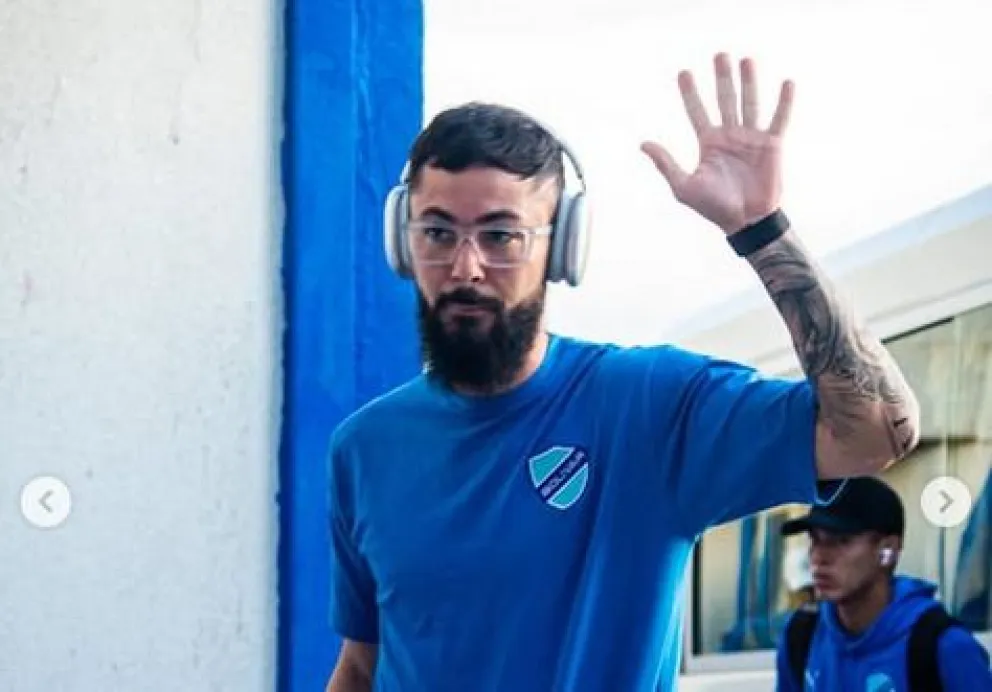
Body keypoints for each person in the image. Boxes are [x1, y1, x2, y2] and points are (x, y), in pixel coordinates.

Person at [325, 52, 922, 692]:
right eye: (438, 232)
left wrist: (762, 232)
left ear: (560, 248)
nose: (465, 267)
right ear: (401, 241)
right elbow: (363, 665)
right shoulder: (365, 448)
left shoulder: (646, 407)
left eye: (501, 237)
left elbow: (877, 431)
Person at [776, 476, 992, 691]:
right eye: (815, 540)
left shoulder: (941, 646)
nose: (819, 558)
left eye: (841, 541)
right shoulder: (802, 635)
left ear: (887, 551)